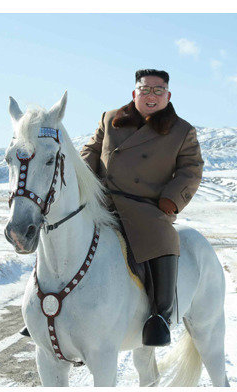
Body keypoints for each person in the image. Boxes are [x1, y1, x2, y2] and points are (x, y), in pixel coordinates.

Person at [79, 69, 204, 346]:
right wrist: (81, 181)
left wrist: (170, 200)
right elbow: (89, 151)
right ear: (134, 93)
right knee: (61, 226)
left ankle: (160, 317)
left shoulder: (182, 131)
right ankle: (46, 304)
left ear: (168, 96)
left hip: (145, 206)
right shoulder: (110, 118)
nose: (151, 96)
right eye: (145, 89)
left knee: (163, 237)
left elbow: (191, 170)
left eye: (158, 91)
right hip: (102, 200)